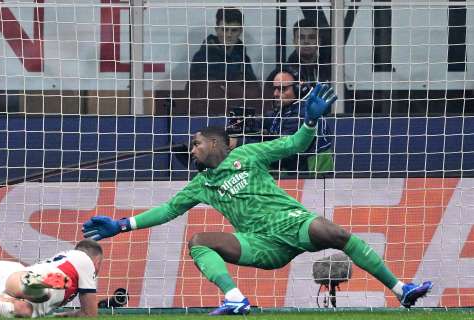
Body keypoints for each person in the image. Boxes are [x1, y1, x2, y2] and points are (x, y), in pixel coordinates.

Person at [82, 84, 432, 315]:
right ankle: (235, 298)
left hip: (293, 224)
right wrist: (122, 225)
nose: (193, 149)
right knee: (199, 242)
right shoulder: (200, 184)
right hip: (260, 246)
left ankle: (401, 289)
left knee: (334, 233)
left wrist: (309, 122)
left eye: (196, 143)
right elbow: (167, 211)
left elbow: (294, 145)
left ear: (216, 143)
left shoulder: (248, 154)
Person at [0, 239, 103, 318]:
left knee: (18, 308)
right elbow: (89, 314)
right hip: (24, 284)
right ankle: (34, 285)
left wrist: (58, 316)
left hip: (4, 273)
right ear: (96, 261)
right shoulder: (85, 261)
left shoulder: (65, 257)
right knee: (38, 301)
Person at [230, 67, 334, 175]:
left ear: (299, 88)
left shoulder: (304, 113)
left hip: (309, 179)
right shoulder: (285, 108)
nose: (275, 93)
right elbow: (266, 122)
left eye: (282, 89)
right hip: (294, 172)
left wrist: (239, 143)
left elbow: (282, 152)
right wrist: (245, 124)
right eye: (275, 88)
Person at [185, 7, 261, 115]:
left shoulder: (243, 57)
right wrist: (238, 89)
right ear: (216, 29)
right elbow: (210, 95)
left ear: (240, 31)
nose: (229, 35)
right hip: (205, 118)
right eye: (224, 29)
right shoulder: (202, 57)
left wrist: (227, 89)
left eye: (234, 30)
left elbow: (254, 93)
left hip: (237, 118)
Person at [284, 18, 331, 84]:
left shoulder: (331, 72)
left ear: (319, 42)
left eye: (311, 37)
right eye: (301, 37)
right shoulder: (283, 72)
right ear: (294, 42)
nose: (306, 41)